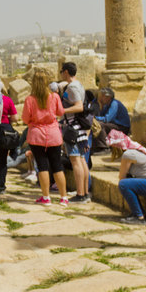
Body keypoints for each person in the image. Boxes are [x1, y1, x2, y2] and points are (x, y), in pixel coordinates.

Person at [22, 72, 69, 206]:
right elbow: (60, 112)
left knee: (42, 166)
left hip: (37, 134)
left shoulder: (30, 99)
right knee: (57, 165)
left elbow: (25, 118)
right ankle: (63, 197)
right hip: (53, 134)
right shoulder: (54, 96)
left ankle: (46, 197)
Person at [60, 62, 91, 203]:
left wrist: (62, 111)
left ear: (66, 72)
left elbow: (78, 106)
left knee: (75, 160)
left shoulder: (72, 87)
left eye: (62, 71)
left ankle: (80, 194)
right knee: (82, 160)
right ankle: (84, 193)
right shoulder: (79, 85)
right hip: (79, 128)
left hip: (73, 128)